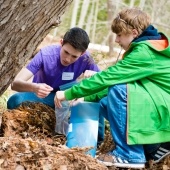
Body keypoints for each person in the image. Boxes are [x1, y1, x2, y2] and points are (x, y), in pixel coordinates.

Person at [54, 8, 170, 169]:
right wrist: (86, 97)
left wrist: (68, 93)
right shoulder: (147, 48)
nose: (116, 40)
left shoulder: (145, 52)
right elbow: (114, 81)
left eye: (119, 35)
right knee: (105, 102)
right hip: (159, 107)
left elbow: (109, 77)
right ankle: (153, 146)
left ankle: (130, 154)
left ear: (134, 33)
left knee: (119, 91)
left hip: (164, 109)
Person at [7, 27, 105, 143]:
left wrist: (94, 75)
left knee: (98, 99)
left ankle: (98, 142)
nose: (68, 59)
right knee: (14, 100)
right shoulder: (45, 54)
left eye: (74, 56)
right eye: (66, 52)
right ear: (61, 43)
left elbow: (103, 83)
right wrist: (35, 88)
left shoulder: (86, 59)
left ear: (82, 53)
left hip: (68, 97)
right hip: (44, 97)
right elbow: (15, 84)